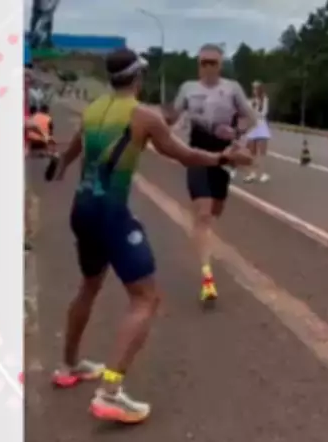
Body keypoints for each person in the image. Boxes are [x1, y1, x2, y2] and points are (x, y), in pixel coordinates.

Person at [49, 48, 252, 424]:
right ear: (139, 77)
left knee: (89, 286)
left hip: (82, 211)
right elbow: (185, 155)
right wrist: (224, 158)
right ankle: (110, 391)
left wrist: (60, 165)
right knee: (146, 299)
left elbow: (74, 146)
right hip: (111, 214)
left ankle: (68, 365)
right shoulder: (144, 116)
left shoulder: (94, 109)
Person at [163, 43, 260, 305]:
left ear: (220, 65)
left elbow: (254, 120)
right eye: (203, 62)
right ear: (198, 64)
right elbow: (170, 120)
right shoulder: (188, 89)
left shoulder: (232, 89)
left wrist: (239, 138)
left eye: (212, 63)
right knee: (203, 215)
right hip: (196, 155)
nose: (207, 67)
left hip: (224, 158)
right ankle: (208, 279)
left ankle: (203, 238)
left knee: (215, 210)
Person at [242, 80, 272, 183]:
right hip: (253, 127)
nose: (254, 90)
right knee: (251, 151)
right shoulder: (251, 101)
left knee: (262, 152)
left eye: (256, 88)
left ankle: (263, 173)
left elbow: (264, 113)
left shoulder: (264, 99)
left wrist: (255, 110)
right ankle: (252, 173)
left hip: (261, 126)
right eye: (253, 88)